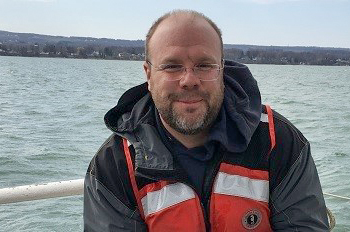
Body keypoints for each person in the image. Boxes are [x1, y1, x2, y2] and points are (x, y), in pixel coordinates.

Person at [84, 9, 330, 231]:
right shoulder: (114, 166)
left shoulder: (278, 143)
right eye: (172, 66)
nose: (189, 79)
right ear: (148, 74)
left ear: (222, 69)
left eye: (204, 65)